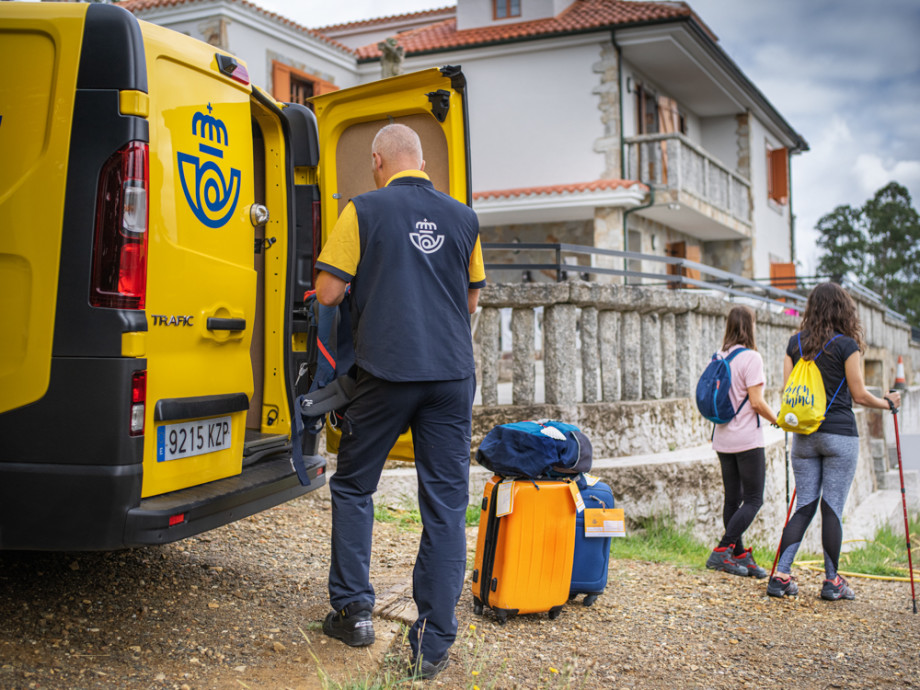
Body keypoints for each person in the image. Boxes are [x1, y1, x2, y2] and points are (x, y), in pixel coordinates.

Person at [313, 123, 485, 679]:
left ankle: (354, 611)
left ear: (379, 160)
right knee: (444, 507)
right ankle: (432, 644)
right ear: (422, 163)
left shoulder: (362, 209)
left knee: (356, 484)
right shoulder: (464, 217)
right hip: (452, 376)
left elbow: (328, 291)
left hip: (387, 372)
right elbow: (473, 297)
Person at [767, 282, 900, 600]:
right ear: (843, 310)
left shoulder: (794, 344)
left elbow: (790, 391)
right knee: (832, 509)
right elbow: (859, 394)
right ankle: (832, 581)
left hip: (804, 435)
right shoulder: (846, 346)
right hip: (839, 434)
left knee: (804, 506)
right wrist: (888, 403)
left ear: (811, 309)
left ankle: (781, 575)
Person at [705, 306, 778, 579]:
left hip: (722, 438)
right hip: (747, 439)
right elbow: (757, 402)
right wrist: (777, 420)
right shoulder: (752, 358)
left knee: (733, 499)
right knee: (754, 499)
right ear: (750, 326)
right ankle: (722, 551)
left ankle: (739, 554)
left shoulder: (719, 356)